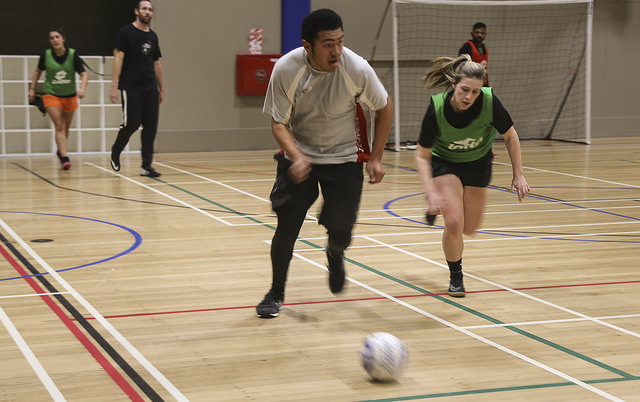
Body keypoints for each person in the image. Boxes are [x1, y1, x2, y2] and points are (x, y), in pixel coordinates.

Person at [256, 8, 393, 318]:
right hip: (300, 156)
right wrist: (297, 156)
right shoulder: (287, 69)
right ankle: (276, 293)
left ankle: (334, 251)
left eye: (340, 42)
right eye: (328, 44)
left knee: (342, 232)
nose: (336, 51)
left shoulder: (356, 68)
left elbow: (384, 107)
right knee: (287, 227)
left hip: (344, 157)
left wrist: (376, 157)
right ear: (308, 46)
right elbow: (279, 123)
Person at [414, 54, 529, 297]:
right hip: (445, 163)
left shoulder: (489, 102)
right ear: (454, 84)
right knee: (454, 222)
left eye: (475, 91)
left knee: (470, 228)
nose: (469, 97)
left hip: (478, 163)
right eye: (465, 90)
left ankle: (441, 206)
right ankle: (456, 276)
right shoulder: (437, 108)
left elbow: (510, 136)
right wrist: (430, 191)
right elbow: (422, 155)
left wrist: (518, 174)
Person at [109, 0, 164, 177]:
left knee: (150, 126)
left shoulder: (153, 36)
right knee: (131, 123)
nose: (147, 12)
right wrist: (114, 85)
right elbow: (118, 58)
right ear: (136, 11)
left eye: (150, 9)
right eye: (144, 9)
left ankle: (146, 166)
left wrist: (161, 87)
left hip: (150, 88)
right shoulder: (125, 32)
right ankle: (116, 150)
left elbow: (156, 63)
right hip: (131, 87)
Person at [28, 28, 88, 170]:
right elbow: (38, 71)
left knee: (66, 127)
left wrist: (82, 88)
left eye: (57, 37)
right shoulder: (46, 55)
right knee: (59, 125)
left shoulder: (73, 55)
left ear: (63, 38)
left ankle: (60, 151)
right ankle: (65, 157)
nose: (55, 40)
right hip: (51, 94)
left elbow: (84, 74)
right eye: (52, 38)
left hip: (69, 95)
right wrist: (32, 89)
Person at [458, 22, 489, 86]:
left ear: (485, 34)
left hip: (483, 83)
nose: (479, 35)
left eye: (482, 33)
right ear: (472, 34)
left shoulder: (484, 48)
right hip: (471, 84)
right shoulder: (467, 47)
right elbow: (461, 66)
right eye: (477, 32)